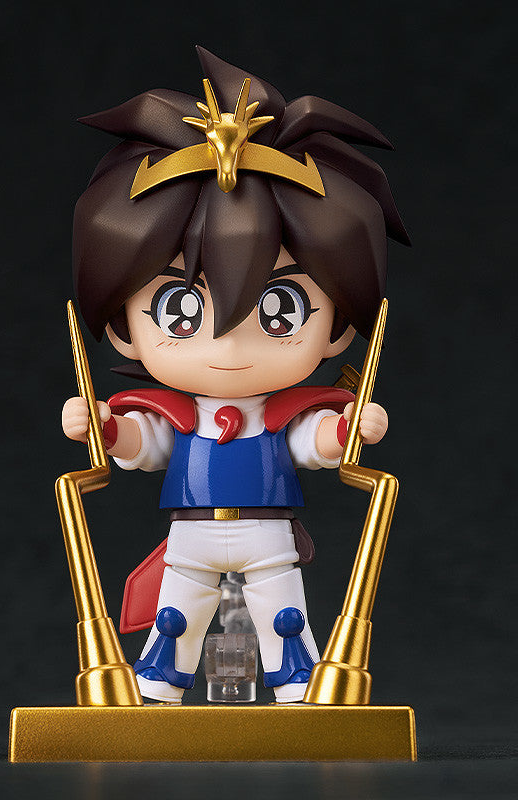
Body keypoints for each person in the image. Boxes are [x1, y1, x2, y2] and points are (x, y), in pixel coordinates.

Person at [62, 47, 408, 703]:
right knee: (174, 619)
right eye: (180, 309)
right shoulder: (175, 417)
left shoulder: (282, 416)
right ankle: (159, 692)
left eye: (280, 309)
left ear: (338, 327)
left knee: (285, 620)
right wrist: (104, 428)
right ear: (122, 326)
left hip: (268, 536)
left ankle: (297, 690)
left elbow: (310, 442)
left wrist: (345, 431)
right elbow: (145, 444)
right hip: (191, 536)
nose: (226, 342)